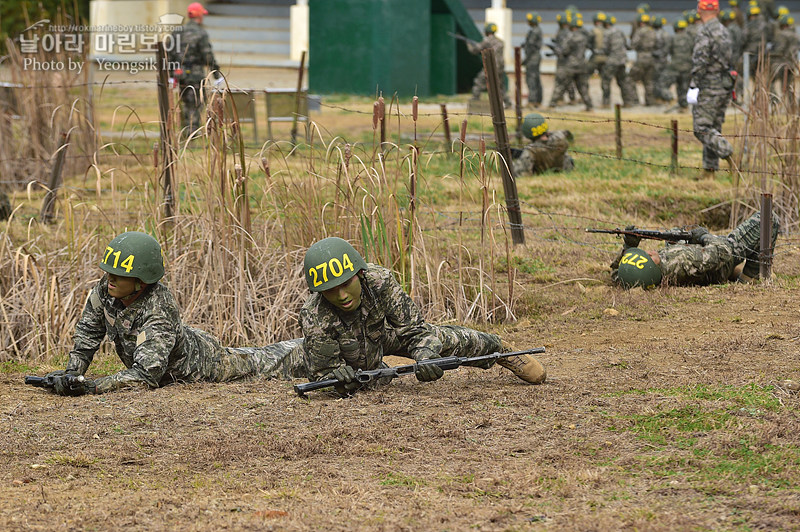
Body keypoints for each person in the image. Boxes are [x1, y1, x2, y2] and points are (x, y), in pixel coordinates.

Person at [43, 232, 305, 396]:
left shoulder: (158, 308)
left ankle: (306, 348)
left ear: (141, 281)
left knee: (261, 362)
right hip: (182, 343)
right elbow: (88, 334)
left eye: (118, 275)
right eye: (108, 272)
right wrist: (72, 374)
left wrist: (92, 387)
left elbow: (146, 376)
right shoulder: (106, 289)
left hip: (203, 364)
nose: (109, 279)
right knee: (256, 356)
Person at [298, 238, 546, 395]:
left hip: (383, 334)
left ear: (359, 274)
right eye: (331, 290)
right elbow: (323, 373)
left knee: (441, 339)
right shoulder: (314, 315)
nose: (341, 295)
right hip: (350, 350)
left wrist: (426, 356)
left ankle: (499, 349)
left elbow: (414, 330)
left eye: (346, 283)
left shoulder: (379, 281)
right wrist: (339, 381)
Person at [610, 212, 779, 288]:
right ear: (653, 269)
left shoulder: (636, 279)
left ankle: (737, 272)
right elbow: (723, 252)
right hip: (719, 262)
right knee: (768, 219)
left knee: (678, 231)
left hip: (701, 258)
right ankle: (749, 277)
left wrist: (629, 247)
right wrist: (703, 236)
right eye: (649, 257)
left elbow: (617, 274)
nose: (649, 252)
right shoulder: (684, 260)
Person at [692, 0, 736, 179]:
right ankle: (709, 170)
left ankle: (728, 152)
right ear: (717, 10)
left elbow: (700, 60)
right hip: (724, 83)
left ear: (698, 10)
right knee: (714, 126)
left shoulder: (704, 31)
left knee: (701, 128)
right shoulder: (725, 31)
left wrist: (694, 84)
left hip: (708, 84)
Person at [169, 2, 222, 134]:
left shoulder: (177, 32)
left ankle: (187, 129)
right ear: (199, 16)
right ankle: (192, 132)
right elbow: (207, 55)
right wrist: (216, 74)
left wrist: (171, 75)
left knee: (186, 102)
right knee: (197, 103)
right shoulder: (200, 33)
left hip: (180, 74)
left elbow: (169, 54)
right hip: (196, 74)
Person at [548, 17, 593, 111]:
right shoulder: (584, 37)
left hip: (570, 66)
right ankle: (589, 106)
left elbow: (564, 51)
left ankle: (551, 105)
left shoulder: (570, 37)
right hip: (582, 65)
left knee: (561, 85)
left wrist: (555, 49)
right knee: (583, 87)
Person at [467, 23, 511, 107]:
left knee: (479, 81)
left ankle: (475, 98)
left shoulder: (487, 41)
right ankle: (508, 102)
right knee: (500, 86)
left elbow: (475, 50)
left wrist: (468, 44)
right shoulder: (500, 41)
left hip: (491, 66)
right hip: (500, 67)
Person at [601, 15, 638, 107]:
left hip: (612, 61)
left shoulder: (606, 33)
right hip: (622, 60)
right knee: (623, 81)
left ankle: (606, 103)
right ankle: (628, 102)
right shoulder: (620, 31)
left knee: (605, 81)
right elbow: (626, 45)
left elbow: (605, 48)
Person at [630, 13, 657, 106]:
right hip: (651, 58)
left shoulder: (639, 31)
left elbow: (633, 44)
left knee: (630, 79)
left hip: (641, 58)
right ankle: (650, 101)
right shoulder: (653, 31)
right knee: (648, 81)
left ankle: (635, 100)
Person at [668, 19, 695, 112]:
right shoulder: (689, 38)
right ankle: (684, 105)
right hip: (687, 65)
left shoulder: (673, 38)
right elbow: (693, 50)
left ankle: (681, 104)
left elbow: (669, 50)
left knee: (678, 85)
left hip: (676, 66)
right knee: (685, 85)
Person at [523, 12, 543, 108]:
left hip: (532, 58)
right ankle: (538, 100)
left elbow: (531, 47)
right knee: (536, 78)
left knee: (531, 79)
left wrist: (525, 60)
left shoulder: (534, 31)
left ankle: (532, 101)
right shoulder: (536, 30)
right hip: (535, 57)